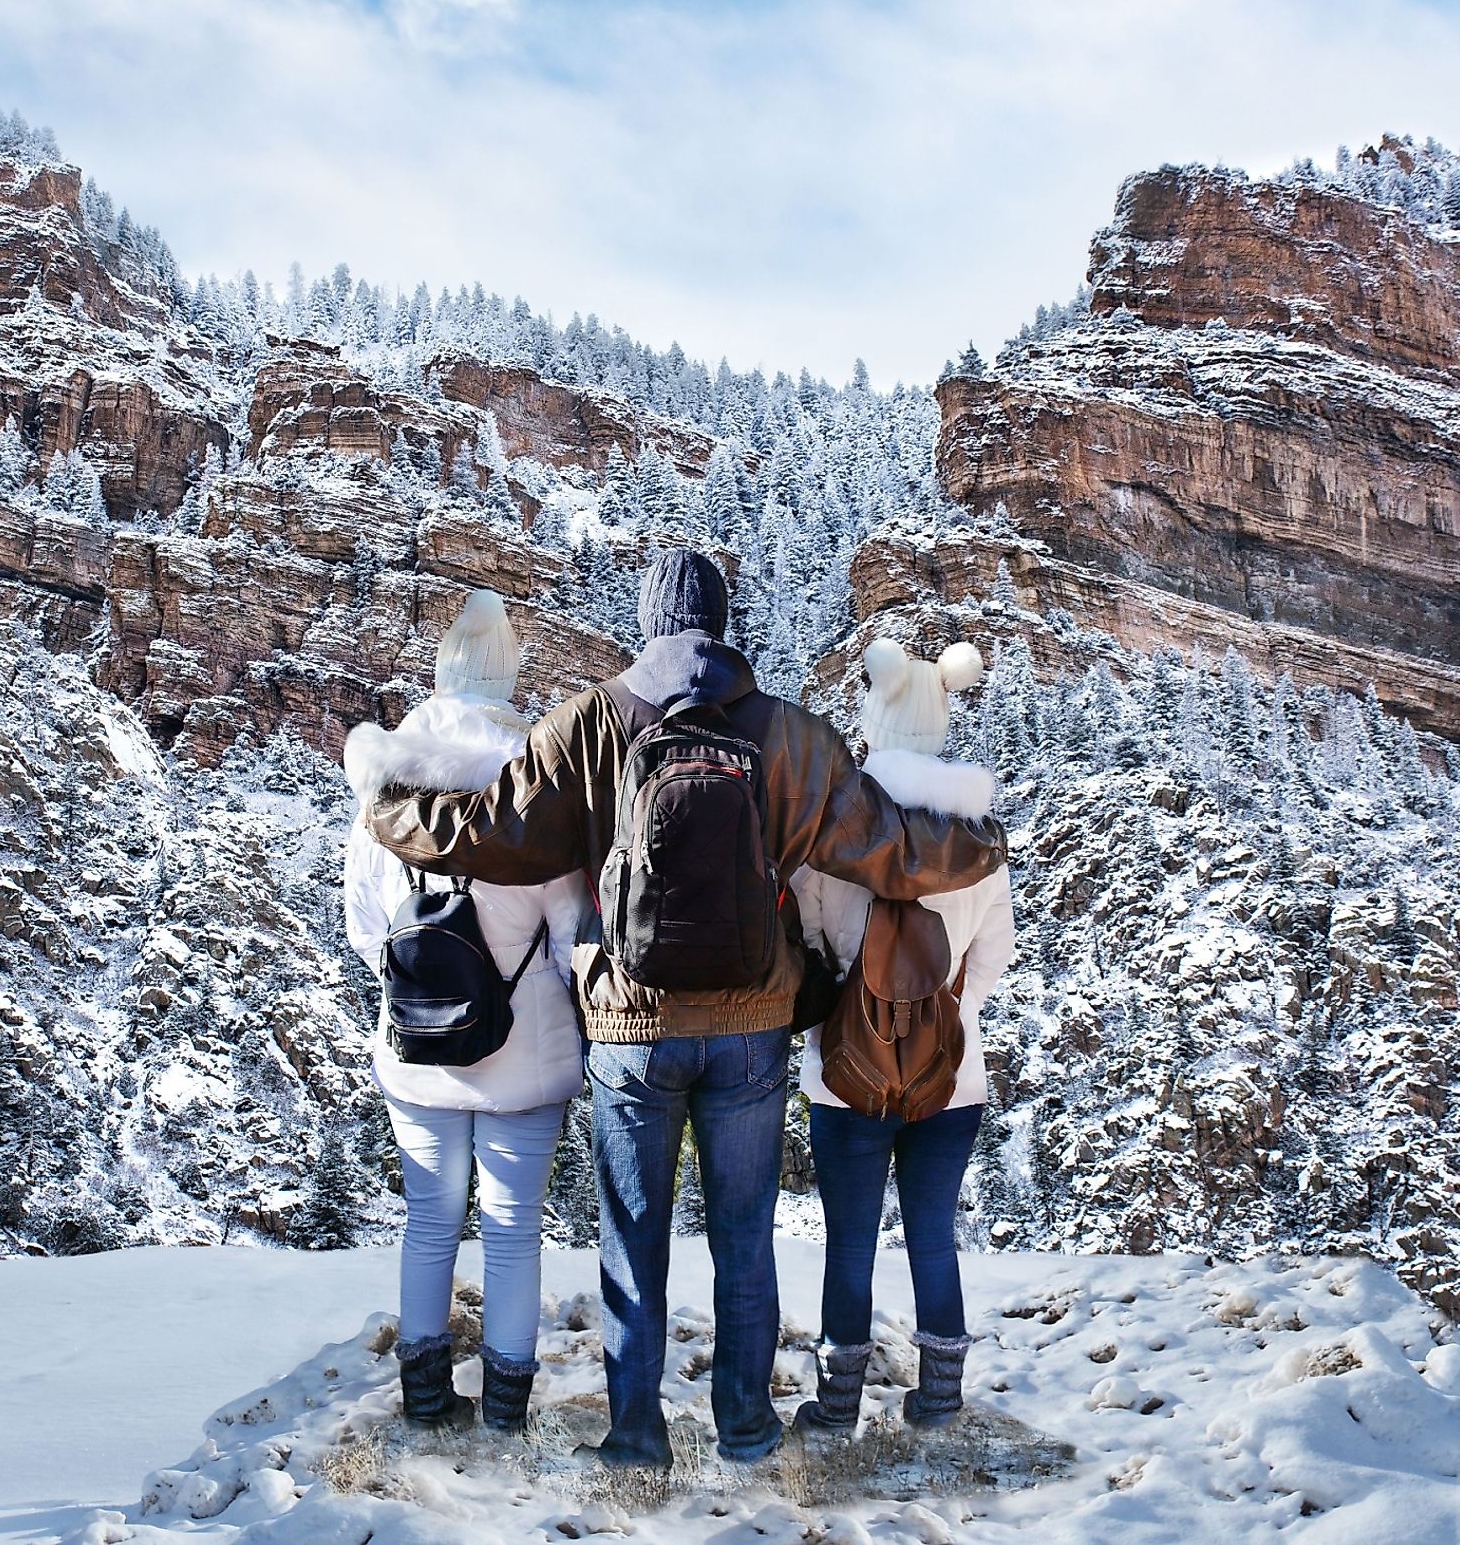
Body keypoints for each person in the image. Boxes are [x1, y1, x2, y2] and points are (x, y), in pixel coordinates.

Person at [360, 550, 1005, 1469]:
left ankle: (636, 1438)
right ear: (725, 623)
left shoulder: (588, 724)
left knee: (633, 1237)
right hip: (750, 1024)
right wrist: (980, 837)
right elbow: (890, 849)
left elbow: (491, 831)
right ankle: (744, 1426)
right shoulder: (789, 732)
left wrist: (385, 802)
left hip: (631, 1024)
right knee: (745, 1237)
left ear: (649, 625)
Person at [341, 590, 590, 1433]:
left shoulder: (385, 789)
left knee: (429, 1223)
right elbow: (570, 938)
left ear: (441, 676)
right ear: (511, 677)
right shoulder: (537, 789)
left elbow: (365, 930)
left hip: (417, 1051)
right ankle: (507, 1413)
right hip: (525, 1057)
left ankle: (424, 1398)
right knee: (515, 1232)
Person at [789, 637, 1015, 1434]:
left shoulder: (836, 835)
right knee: (933, 1238)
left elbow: (807, 938)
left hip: (845, 1075)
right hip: (951, 1078)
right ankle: (941, 1401)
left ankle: (837, 1404)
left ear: (875, 720)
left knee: (849, 1244)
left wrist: (846, 1014)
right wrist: (946, 1013)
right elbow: (994, 954)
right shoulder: (982, 841)